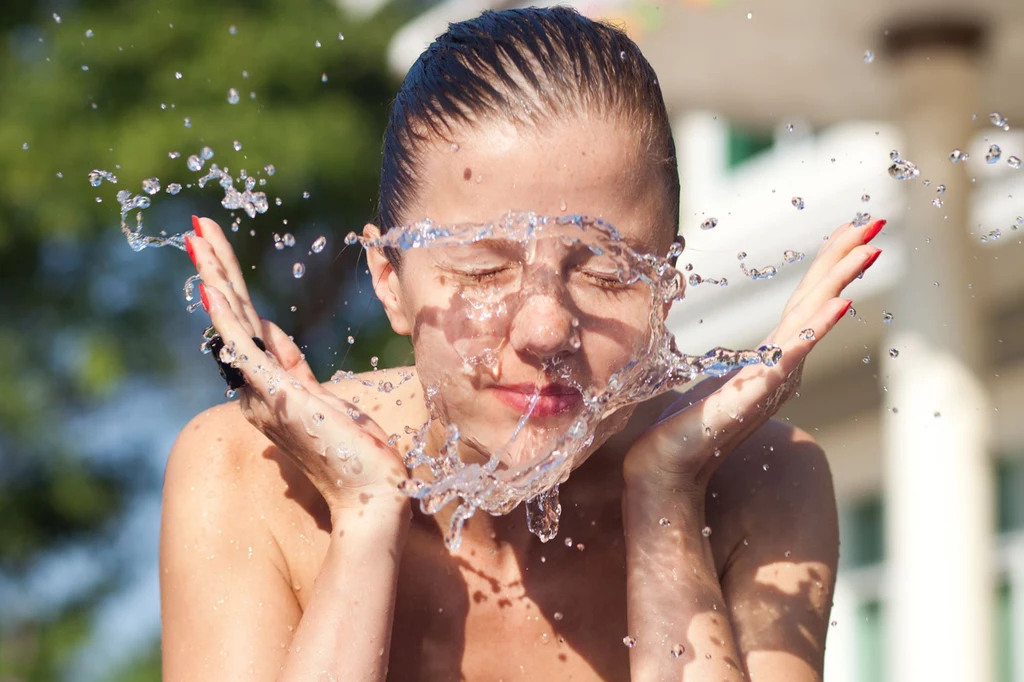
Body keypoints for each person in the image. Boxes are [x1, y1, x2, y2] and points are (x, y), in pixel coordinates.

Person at [160, 6, 884, 681]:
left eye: (606, 272)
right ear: (388, 278)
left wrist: (668, 501)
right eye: (483, 268)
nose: (545, 331)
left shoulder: (757, 481)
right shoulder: (248, 473)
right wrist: (363, 516)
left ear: (668, 285)